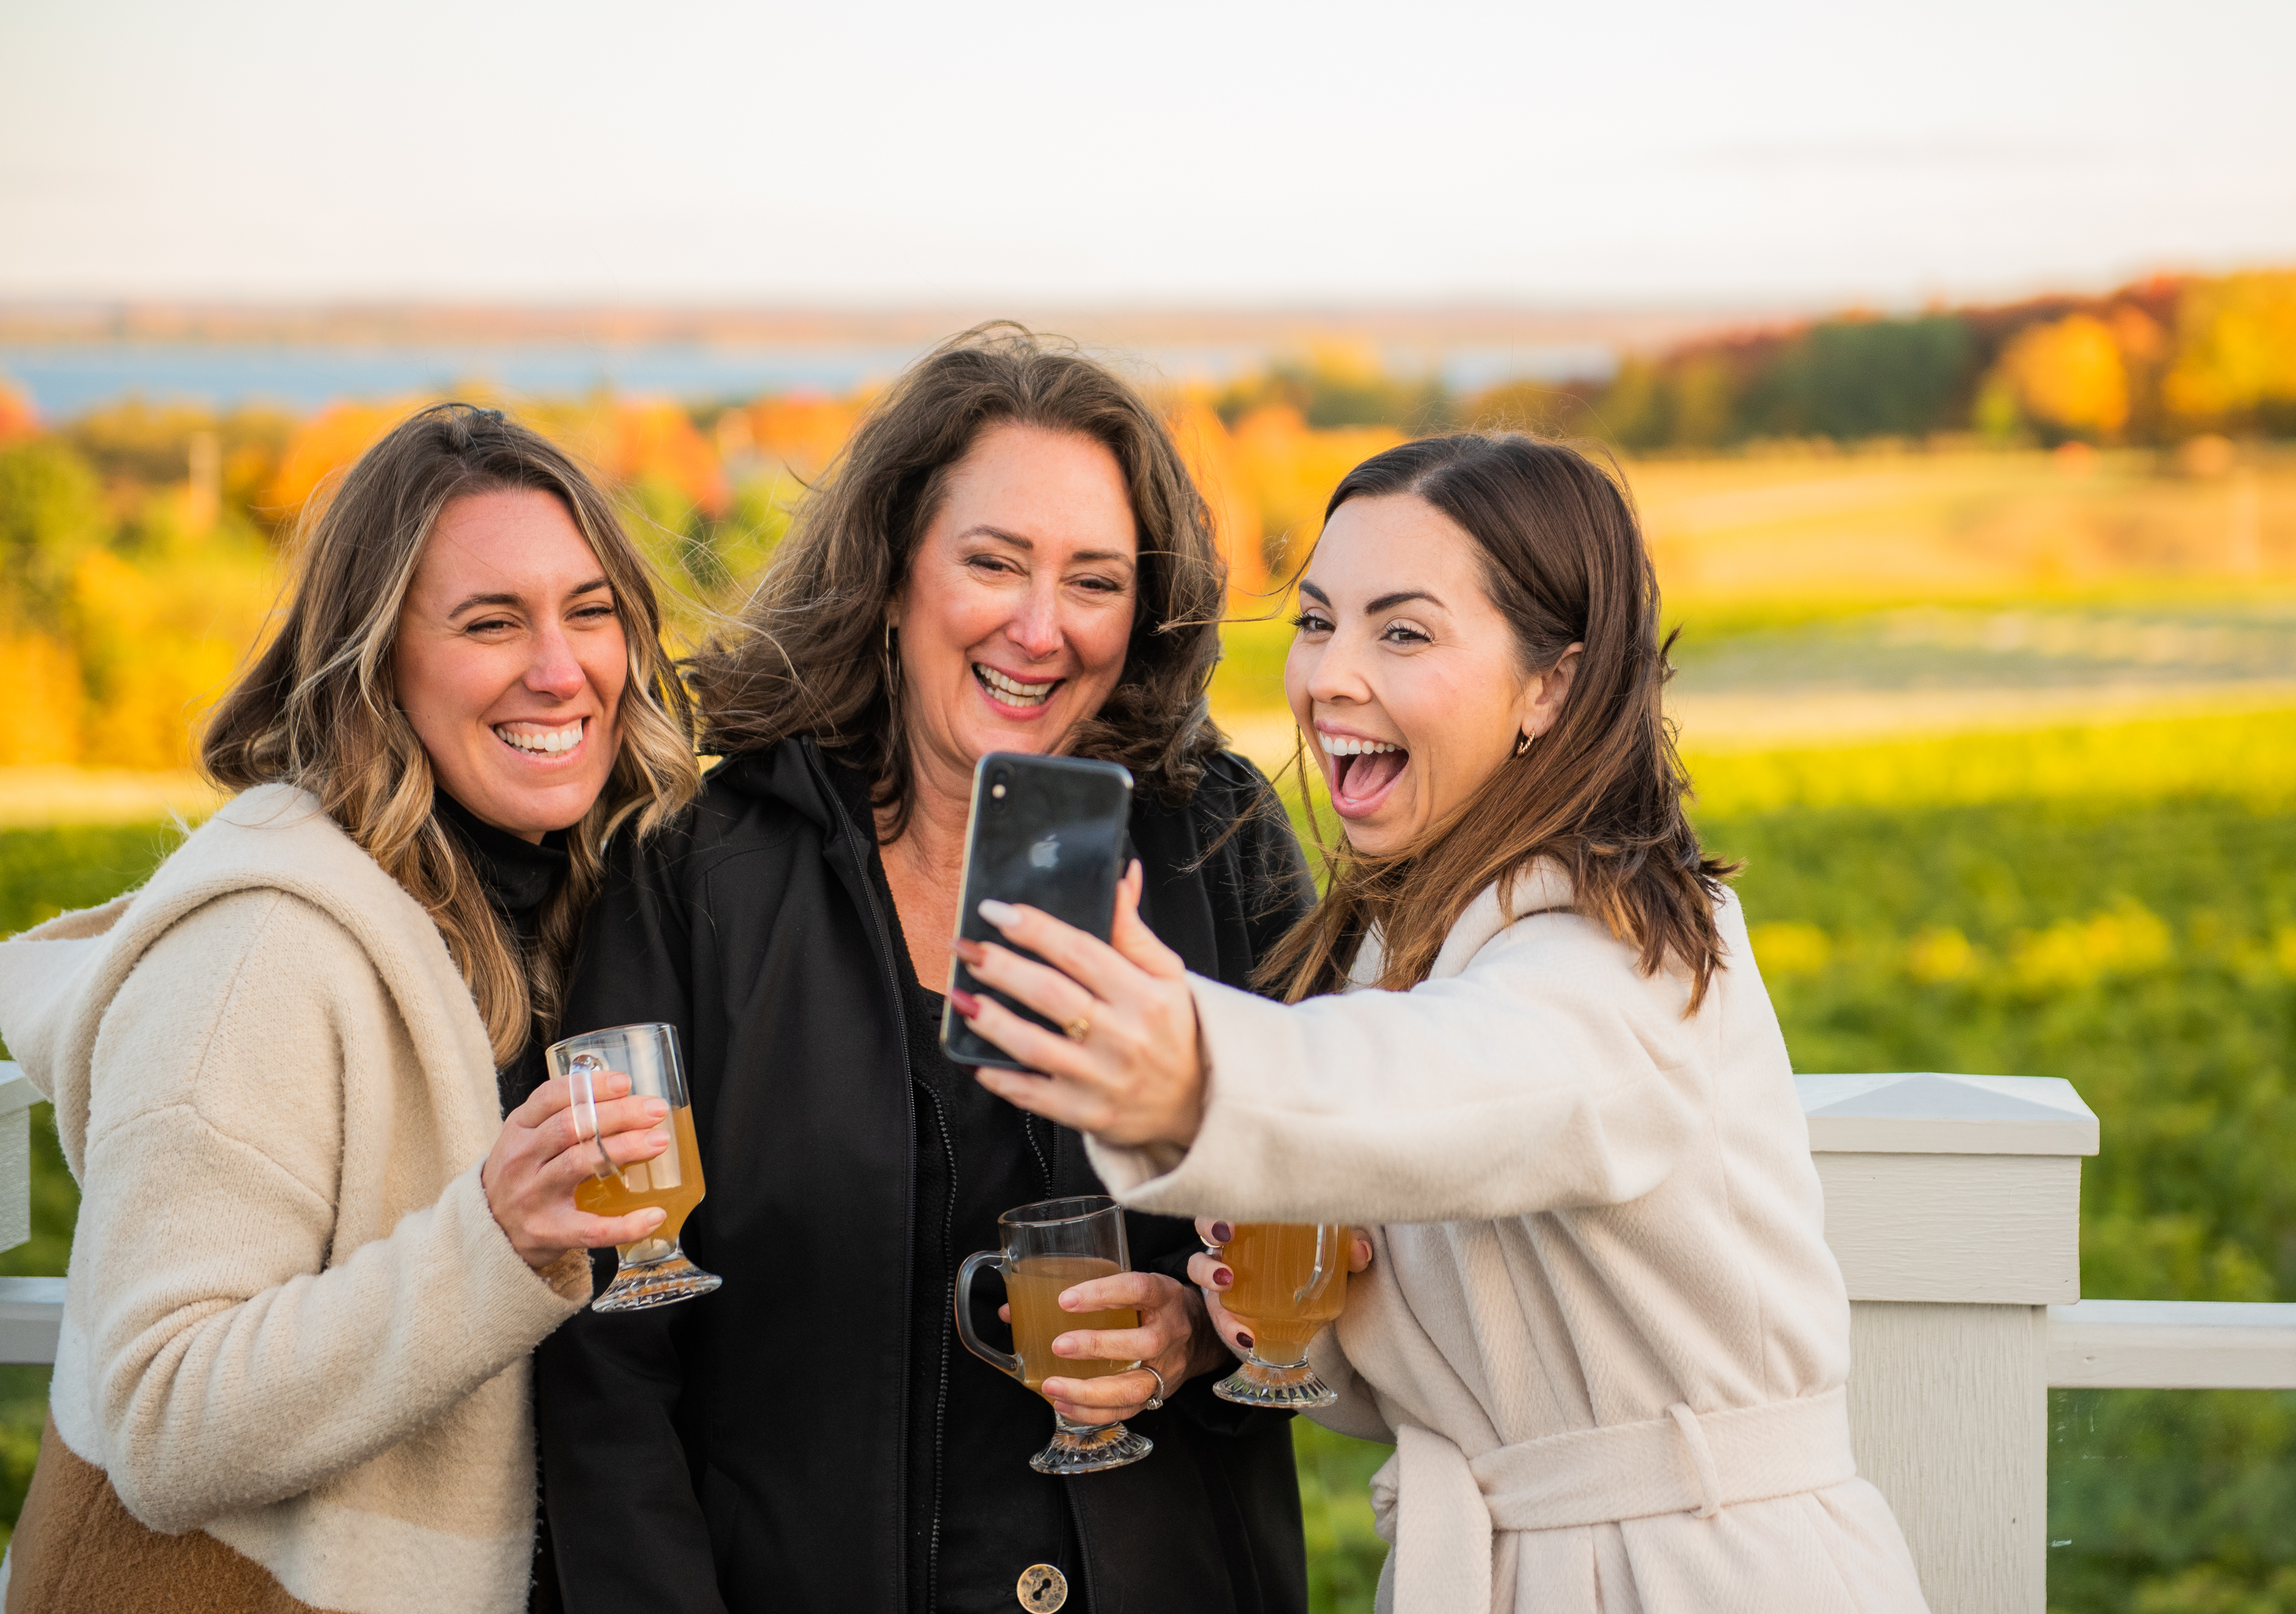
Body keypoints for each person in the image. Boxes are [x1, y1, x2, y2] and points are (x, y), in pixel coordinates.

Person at [954, 434, 1932, 1613]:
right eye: (1317, 621)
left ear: (1551, 686)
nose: (1328, 677)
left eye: (1402, 631)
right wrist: (1236, 1325)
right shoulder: (1397, 947)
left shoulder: (1623, 950)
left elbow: (1471, 1074)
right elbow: (1454, 1337)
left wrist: (1189, 1065)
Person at [533, 326, 1317, 1613]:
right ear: (893, 573)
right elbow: (606, 1350)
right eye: (993, 562)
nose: (1039, 626)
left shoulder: (1213, 839)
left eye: (1094, 580)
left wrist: (1199, 1324)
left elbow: (1335, 1204)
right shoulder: (700, 873)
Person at [0, 404, 701, 1614]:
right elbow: (160, 1417)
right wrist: (494, 1238)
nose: (560, 666)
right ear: (376, 664)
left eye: (590, 611)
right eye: (491, 623)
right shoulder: (259, 948)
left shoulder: (586, 899)